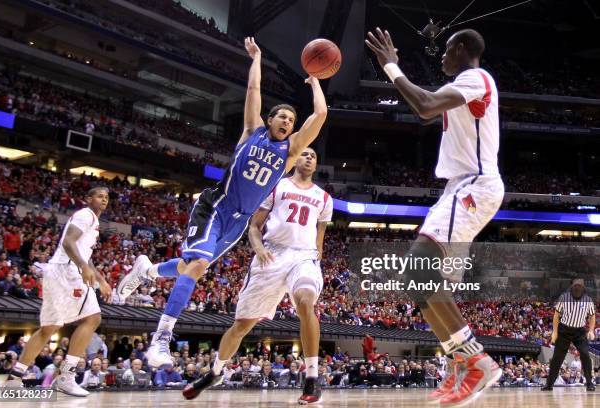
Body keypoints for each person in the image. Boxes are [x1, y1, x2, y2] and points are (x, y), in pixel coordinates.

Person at [116, 36, 327, 372]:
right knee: (197, 267)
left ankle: (149, 271)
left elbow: (320, 114)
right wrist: (256, 58)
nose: (286, 122)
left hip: (238, 222)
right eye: (281, 117)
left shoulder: (290, 154)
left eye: (290, 119)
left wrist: (316, 82)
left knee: (189, 267)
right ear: (269, 121)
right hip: (216, 205)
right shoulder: (251, 131)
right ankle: (161, 338)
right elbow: (254, 90)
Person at [366, 28, 503, 406]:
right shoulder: (463, 84)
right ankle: (459, 361)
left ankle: (478, 361)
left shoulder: (476, 78)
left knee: (416, 269)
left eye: (445, 50)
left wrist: (392, 67)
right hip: (459, 188)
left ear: (461, 49)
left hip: (474, 186)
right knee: (419, 285)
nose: (440, 57)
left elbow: (425, 106)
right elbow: (427, 109)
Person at [183, 148, 332, 403]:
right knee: (241, 326)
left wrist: (316, 257)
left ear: (316, 165)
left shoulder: (324, 198)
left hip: (303, 257)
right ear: (295, 159)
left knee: (306, 302)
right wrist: (259, 248)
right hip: (271, 255)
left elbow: (319, 237)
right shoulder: (276, 186)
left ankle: (311, 378)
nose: (308, 158)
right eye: (305, 153)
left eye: (314, 156)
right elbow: (254, 227)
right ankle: (216, 372)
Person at [5, 187, 111, 397]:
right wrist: (82, 266)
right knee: (93, 318)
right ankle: (67, 376)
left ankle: (14, 378)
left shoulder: (91, 221)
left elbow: (84, 253)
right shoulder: (85, 215)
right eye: (100, 196)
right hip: (67, 270)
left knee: (48, 328)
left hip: (59, 270)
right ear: (88, 198)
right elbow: (68, 242)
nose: (104, 200)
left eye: (107, 197)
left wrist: (102, 280)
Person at [542, 278, 595, 392]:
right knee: (557, 358)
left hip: (580, 331)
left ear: (583, 288)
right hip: (564, 330)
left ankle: (589, 383)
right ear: (572, 287)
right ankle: (549, 384)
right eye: (575, 286)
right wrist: (555, 332)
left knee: (585, 355)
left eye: (579, 286)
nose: (577, 288)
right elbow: (556, 315)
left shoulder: (588, 300)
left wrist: (591, 330)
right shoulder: (564, 297)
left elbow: (592, 316)